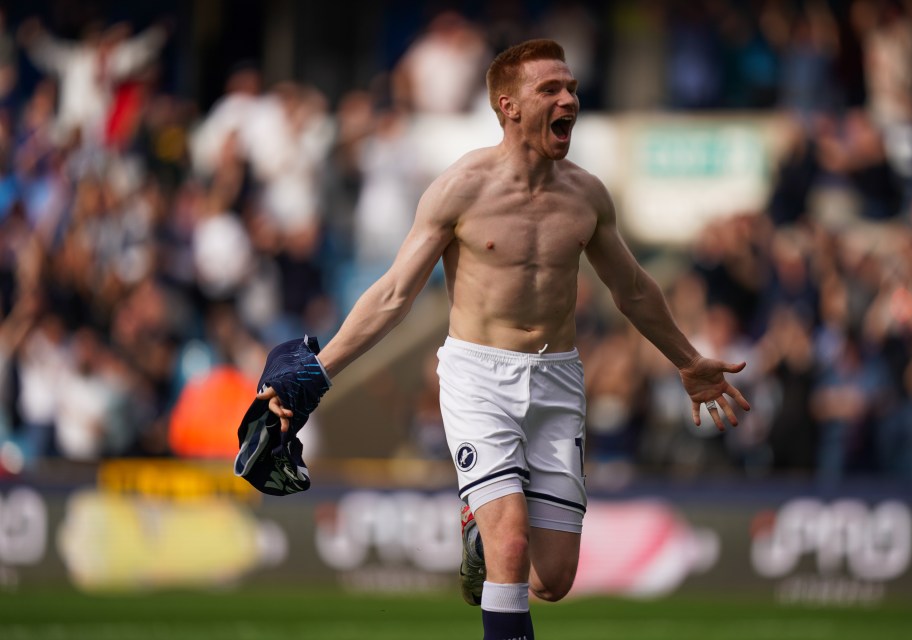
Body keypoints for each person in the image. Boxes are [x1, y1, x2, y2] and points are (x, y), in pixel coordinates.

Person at [255, 39, 750, 640]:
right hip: (477, 375)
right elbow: (393, 295)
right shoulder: (459, 188)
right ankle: (487, 529)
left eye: (570, 88)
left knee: (553, 578)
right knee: (511, 543)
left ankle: (476, 532)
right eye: (551, 90)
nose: (568, 98)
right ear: (507, 105)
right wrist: (318, 372)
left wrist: (689, 361)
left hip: (558, 379)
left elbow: (635, 290)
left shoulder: (587, 194)